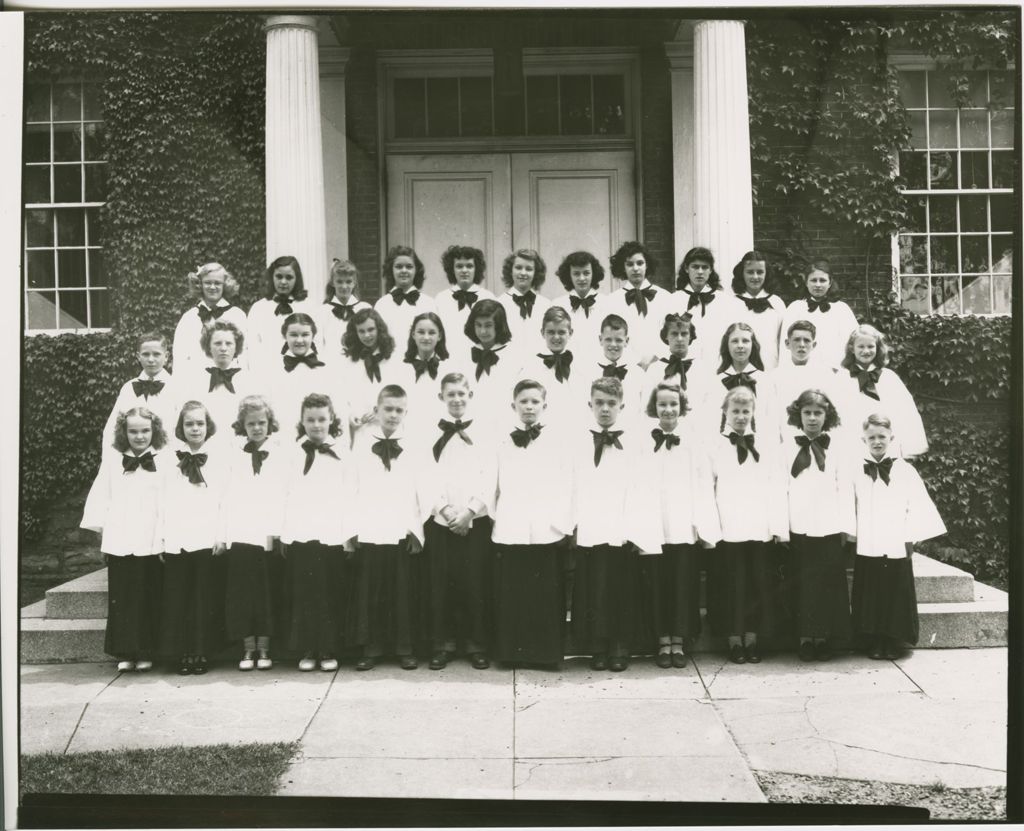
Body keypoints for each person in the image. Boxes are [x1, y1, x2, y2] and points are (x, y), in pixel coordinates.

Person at [570, 377, 660, 673]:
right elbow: (571, 485)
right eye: (599, 403)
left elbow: (641, 488)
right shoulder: (578, 443)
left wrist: (635, 529)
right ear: (589, 405)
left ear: (621, 406)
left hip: (621, 529)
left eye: (611, 404)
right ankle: (597, 647)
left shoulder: (634, 445)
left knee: (622, 589)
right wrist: (573, 525)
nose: (605, 409)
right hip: (591, 528)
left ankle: (619, 646)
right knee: (593, 589)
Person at [417, 373, 497, 670]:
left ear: (470, 395)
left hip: (474, 521)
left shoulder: (485, 435)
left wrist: (470, 511)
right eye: (450, 394)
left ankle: (476, 644)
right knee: (442, 584)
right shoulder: (431, 435)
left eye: (461, 394)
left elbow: (490, 475)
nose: (456, 399)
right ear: (441, 397)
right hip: (443, 521)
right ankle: (444, 644)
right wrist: (446, 510)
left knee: (475, 583)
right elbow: (424, 476)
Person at [491, 380, 573, 667]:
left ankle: (545, 654)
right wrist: (497, 519)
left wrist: (562, 525)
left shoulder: (557, 444)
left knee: (545, 595)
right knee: (514, 593)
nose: (529, 407)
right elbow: (495, 484)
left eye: (534, 402)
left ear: (544, 406)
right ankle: (513, 653)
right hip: (512, 527)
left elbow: (566, 485)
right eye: (523, 401)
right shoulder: (502, 443)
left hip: (545, 529)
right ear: (513, 405)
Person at [81, 406, 169, 672]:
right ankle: (125, 651)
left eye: (145, 431)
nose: (140, 436)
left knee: (149, 595)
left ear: (154, 431)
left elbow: (168, 501)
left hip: (150, 538)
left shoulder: (164, 461)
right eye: (133, 431)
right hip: (121, 536)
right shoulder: (113, 461)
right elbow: (102, 497)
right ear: (124, 432)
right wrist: (103, 532)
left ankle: (146, 650)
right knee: (123, 596)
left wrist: (165, 534)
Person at [638, 382, 720, 668]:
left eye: (673, 404)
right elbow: (640, 485)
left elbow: (702, 484)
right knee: (658, 585)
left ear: (682, 407)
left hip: (684, 525)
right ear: (654, 408)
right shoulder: (644, 443)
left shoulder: (694, 443)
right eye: (662, 404)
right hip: (656, 526)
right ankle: (662, 640)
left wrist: (702, 525)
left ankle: (679, 641)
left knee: (683, 584)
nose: (668, 409)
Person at [852, 414, 946, 659]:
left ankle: (893, 640)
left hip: (895, 541)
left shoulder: (905, 471)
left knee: (895, 592)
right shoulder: (857, 470)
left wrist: (910, 538)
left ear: (891, 438)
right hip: (870, 542)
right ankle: (873, 639)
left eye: (882, 437)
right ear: (864, 439)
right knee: (872, 591)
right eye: (871, 437)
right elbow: (851, 505)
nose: (877, 442)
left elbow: (917, 505)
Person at [707, 387, 788, 664]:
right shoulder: (715, 446)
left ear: (753, 414)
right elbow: (708, 487)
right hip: (728, 528)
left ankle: (752, 638)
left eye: (745, 411)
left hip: (759, 526)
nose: (740, 417)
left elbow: (776, 486)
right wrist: (711, 528)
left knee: (756, 583)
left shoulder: (766, 446)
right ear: (725, 413)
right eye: (735, 411)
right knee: (731, 584)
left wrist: (778, 527)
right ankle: (733, 639)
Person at [351, 385, 426, 671]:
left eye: (399, 410)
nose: (393, 415)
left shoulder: (414, 447)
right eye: (388, 409)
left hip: (400, 529)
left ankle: (404, 646)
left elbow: (419, 491)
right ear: (377, 410)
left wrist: (415, 531)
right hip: (370, 528)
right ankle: (372, 646)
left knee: (402, 591)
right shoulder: (360, 445)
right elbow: (353, 488)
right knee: (372, 589)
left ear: (406, 412)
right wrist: (353, 529)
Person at [279, 393, 354, 671]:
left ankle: (329, 647)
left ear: (331, 419)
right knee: (305, 593)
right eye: (310, 420)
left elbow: (351, 495)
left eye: (322, 419)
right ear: (302, 421)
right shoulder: (292, 454)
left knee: (330, 592)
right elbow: (285, 493)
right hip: (302, 534)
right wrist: (285, 535)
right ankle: (309, 647)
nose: (316, 425)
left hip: (332, 535)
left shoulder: (343, 453)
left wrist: (349, 536)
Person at [782, 389, 855, 662]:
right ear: (798, 415)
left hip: (829, 527)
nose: (812, 419)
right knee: (802, 583)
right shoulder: (786, 448)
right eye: (807, 413)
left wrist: (848, 527)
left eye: (818, 413)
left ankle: (824, 637)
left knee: (827, 583)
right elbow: (780, 488)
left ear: (828, 416)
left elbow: (845, 488)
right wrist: (781, 528)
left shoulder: (837, 449)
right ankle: (804, 638)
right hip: (798, 526)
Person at [216, 395, 286, 671]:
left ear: (270, 424)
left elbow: (284, 494)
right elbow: (224, 495)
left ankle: (265, 648)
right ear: (242, 425)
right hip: (242, 532)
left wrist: (280, 531)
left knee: (266, 594)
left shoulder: (281, 453)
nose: (257, 428)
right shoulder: (233, 454)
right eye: (251, 424)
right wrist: (223, 534)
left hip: (268, 535)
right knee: (243, 594)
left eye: (261, 423)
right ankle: (247, 650)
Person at [160, 401, 229, 676]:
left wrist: (222, 536)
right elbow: (163, 502)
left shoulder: (219, 460)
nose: (195, 428)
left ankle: (201, 651)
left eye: (200, 423)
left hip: (206, 537)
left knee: (203, 597)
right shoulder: (170, 460)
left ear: (208, 426)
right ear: (181, 428)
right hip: (178, 536)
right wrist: (163, 538)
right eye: (189, 424)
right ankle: (182, 652)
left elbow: (225, 500)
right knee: (179, 598)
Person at [835, 324, 928, 458]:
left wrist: (909, 445)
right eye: (861, 346)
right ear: (852, 349)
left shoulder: (889, 378)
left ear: (878, 348)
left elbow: (905, 412)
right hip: (851, 441)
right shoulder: (842, 378)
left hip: (884, 444)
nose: (866, 351)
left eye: (871, 346)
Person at [171, 319, 253, 443]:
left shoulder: (249, 381)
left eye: (229, 343)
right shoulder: (195, 381)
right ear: (208, 346)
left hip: (239, 446)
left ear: (237, 347)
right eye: (218, 343)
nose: (223, 348)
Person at [267, 312, 347, 436]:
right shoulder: (273, 370)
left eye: (305, 335)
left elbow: (339, 408)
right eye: (293, 335)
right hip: (284, 438)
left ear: (313, 336)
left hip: (319, 438)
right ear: (285, 336)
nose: (299, 340)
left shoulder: (327, 369)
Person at [101, 332, 176, 461]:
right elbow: (112, 429)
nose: (151, 359)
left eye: (156, 354)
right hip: (132, 459)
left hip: (167, 459)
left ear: (166, 356)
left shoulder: (177, 388)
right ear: (138, 356)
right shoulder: (128, 388)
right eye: (146, 354)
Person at [769, 320, 842, 444]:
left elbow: (831, 412)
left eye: (807, 340)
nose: (802, 345)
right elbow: (772, 414)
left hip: (819, 439)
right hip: (785, 440)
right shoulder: (775, 377)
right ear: (787, 343)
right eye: (797, 340)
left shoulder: (826, 375)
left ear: (814, 345)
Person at [778, 260, 859, 369]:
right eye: (813, 280)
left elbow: (854, 344)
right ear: (806, 282)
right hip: (803, 371)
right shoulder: (795, 308)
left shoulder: (842, 309)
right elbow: (786, 346)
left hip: (835, 371)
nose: (818, 285)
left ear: (830, 283)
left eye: (822, 280)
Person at [606, 241, 673, 367]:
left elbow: (672, 333)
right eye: (630, 264)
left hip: (660, 366)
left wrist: (656, 359)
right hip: (626, 367)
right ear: (623, 268)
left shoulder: (665, 298)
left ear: (647, 265)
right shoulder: (611, 301)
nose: (635, 268)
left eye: (640, 263)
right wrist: (632, 362)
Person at [247, 256, 318, 373]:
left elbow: (316, 342)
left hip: (301, 371)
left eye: (289, 277)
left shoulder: (308, 306)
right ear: (271, 277)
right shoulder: (259, 308)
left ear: (297, 278)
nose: (283, 282)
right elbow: (252, 345)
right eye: (279, 276)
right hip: (267, 372)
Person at [672, 247, 740, 370]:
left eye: (705, 267)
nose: (700, 271)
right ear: (686, 268)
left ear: (710, 270)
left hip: (718, 367)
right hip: (685, 368)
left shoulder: (725, 302)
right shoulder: (673, 301)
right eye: (695, 267)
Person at [514, 305, 580, 432]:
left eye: (561, 332)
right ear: (542, 333)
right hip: (541, 432)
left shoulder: (579, 367)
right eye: (551, 332)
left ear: (570, 333)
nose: (556, 337)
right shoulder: (530, 369)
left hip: (573, 429)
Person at [458, 299, 520, 432]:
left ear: (498, 326)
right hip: (471, 426)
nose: (482, 331)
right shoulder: (463, 358)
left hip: (505, 424)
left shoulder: (515, 357)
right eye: (478, 325)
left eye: (488, 325)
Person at [172, 263, 247, 372]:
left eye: (217, 283)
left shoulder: (237, 315)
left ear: (225, 285)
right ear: (200, 285)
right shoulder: (189, 317)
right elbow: (180, 355)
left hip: (229, 380)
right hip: (195, 380)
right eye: (207, 283)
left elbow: (244, 354)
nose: (212, 287)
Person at [390, 312, 455, 433]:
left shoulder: (449, 368)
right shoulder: (400, 369)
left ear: (439, 336)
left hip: (441, 434)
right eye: (421, 332)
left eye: (431, 332)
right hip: (408, 433)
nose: (426, 337)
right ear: (413, 334)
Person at [339, 308, 398, 440]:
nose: (366, 335)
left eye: (371, 330)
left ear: (379, 329)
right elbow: (341, 394)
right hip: (361, 429)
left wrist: (383, 413)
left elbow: (400, 393)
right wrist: (350, 415)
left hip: (389, 427)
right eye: (361, 331)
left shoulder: (393, 359)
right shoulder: (348, 362)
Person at [576, 314, 644, 423]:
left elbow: (641, 410)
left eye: (618, 340)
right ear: (600, 339)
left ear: (627, 341)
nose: (613, 344)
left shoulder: (638, 374)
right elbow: (583, 408)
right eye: (608, 339)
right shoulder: (587, 372)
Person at [434, 245, 494, 359]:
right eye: (459, 266)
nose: (464, 270)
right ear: (452, 269)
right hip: (448, 360)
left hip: (480, 359)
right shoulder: (441, 299)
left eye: (469, 266)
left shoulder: (488, 297)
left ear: (477, 269)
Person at [551, 250, 608, 364]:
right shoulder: (557, 304)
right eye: (576, 273)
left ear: (594, 274)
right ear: (569, 275)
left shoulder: (607, 303)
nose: (582, 278)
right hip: (568, 366)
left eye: (586, 273)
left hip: (600, 365)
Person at [731, 250, 786, 369]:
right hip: (741, 367)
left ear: (767, 274)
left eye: (760, 272)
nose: (755, 277)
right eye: (750, 272)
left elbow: (783, 341)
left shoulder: (777, 303)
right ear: (742, 274)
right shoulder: (731, 303)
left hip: (771, 365)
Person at [374, 245, 436, 347]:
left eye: (409, 266)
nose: (404, 271)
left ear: (416, 270)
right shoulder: (382, 305)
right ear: (391, 270)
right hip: (390, 361)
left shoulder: (429, 303)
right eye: (398, 267)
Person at [314, 258, 372, 363]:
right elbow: (317, 344)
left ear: (354, 283)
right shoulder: (322, 312)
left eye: (348, 281)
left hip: (358, 365)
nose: (344, 286)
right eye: (339, 282)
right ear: (332, 282)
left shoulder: (365, 308)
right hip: (331, 366)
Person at [497, 248, 551, 357]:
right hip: (508, 365)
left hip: (539, 367)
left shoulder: (546, 305)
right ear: (510, 270)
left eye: (529, 269)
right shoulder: (499, 304)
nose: (523, 273)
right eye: (518, 267)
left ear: (536, 273)